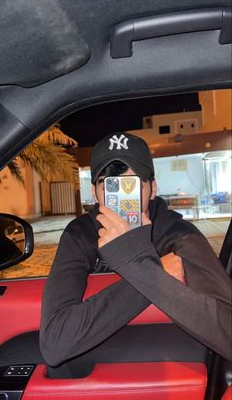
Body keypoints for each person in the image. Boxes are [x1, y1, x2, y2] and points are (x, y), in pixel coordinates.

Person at [40, 132, 232, 376]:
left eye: (130, 186)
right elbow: (55, 344)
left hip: (170, 370)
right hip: (95, 378)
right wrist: (153, 272)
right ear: (94, 192)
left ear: (152, 189)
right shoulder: (80, 235)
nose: (121, 198)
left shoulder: (179, 235)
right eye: (109, 185)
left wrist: (135, 264)